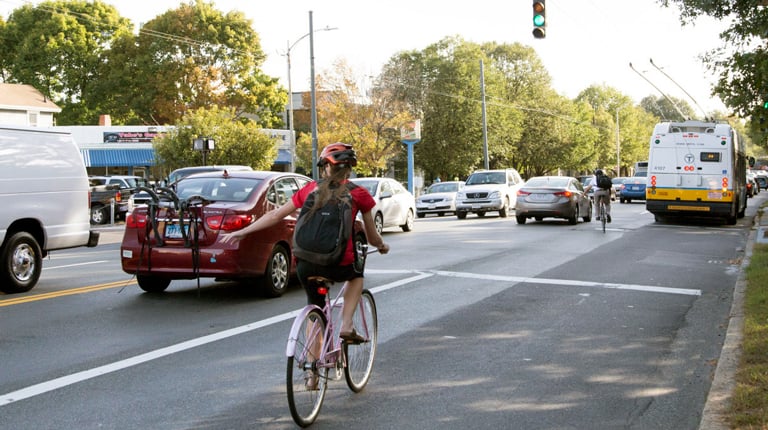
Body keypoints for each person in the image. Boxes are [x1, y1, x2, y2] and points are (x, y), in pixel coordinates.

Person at [220, 142, 389, 341]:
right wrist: (381, 246)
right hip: (338, 263)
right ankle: (347, 324)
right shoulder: (359, 194)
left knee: (316, 309)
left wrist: (243, 231)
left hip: (304, 263)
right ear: (349, 170)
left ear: (326, 168)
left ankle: (312, 371)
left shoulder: (310, 189)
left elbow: (276, 215)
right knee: (356, 277)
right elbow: (371, 236)